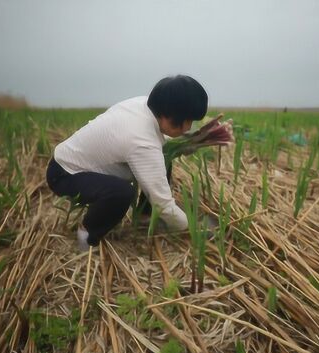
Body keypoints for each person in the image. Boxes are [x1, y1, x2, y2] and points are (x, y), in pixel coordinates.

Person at [46, 75, 208, 251]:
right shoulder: (142, 141)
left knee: (162, 157)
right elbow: (163, 204)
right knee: (121, 193)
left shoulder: (144, 105)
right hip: (65, 175)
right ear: (171, 116)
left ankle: (145, 217)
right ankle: (86, 238)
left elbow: (162, 141)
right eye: (188, 121)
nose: (189, 127)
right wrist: (194, 228)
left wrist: (193, 140)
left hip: (71, 161)